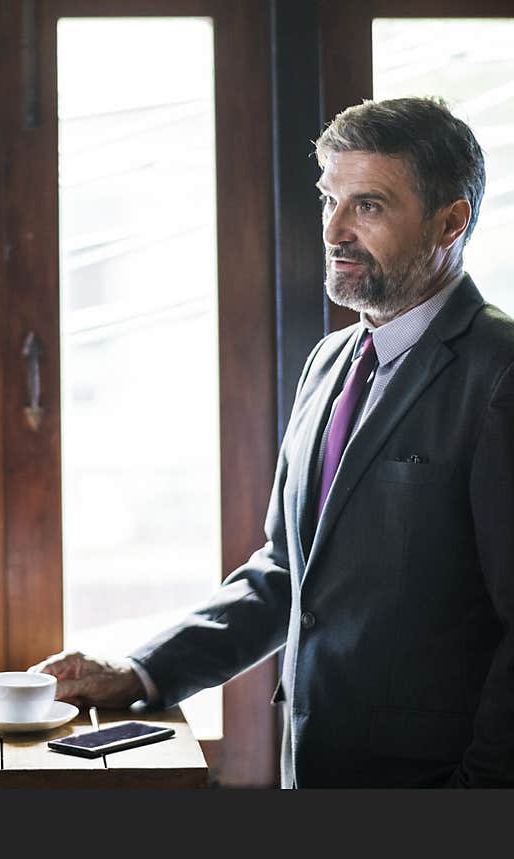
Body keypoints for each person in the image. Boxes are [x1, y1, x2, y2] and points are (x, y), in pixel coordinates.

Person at [32, 97, 514, 788]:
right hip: (311, 772)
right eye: (329, 200)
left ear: (450, 221)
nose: (335, 230)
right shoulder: (329, 362)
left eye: (369, 206)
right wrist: (141, 670)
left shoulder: (501, 375)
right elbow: (288, 576)